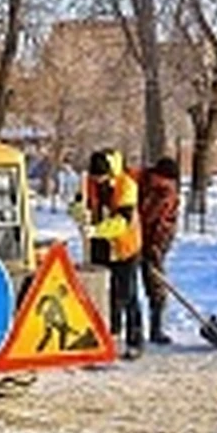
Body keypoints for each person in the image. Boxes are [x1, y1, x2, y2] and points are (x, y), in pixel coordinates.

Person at [71, 149, 144, 359]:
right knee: (102, 294)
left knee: (127, 294)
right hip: (100, 247)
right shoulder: (89, 184)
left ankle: (134, 340)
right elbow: (76, 204)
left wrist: (96, 230)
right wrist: (79, 213)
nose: (97, 180)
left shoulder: (127, 186)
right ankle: (107, 335)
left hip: (125, 247)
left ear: (110, 173)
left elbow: (123, 222)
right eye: (94, 177)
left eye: (100, 177)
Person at [138, 156, 181, 345]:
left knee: (156, 286)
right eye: (161, 179)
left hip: (155, 242)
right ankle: (129, 330)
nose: (163, 183)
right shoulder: (139, 181)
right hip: (130, 239)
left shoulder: (168, 195)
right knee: (126, 288)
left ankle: (156, 328)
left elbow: (166, 224)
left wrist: (156, 248)